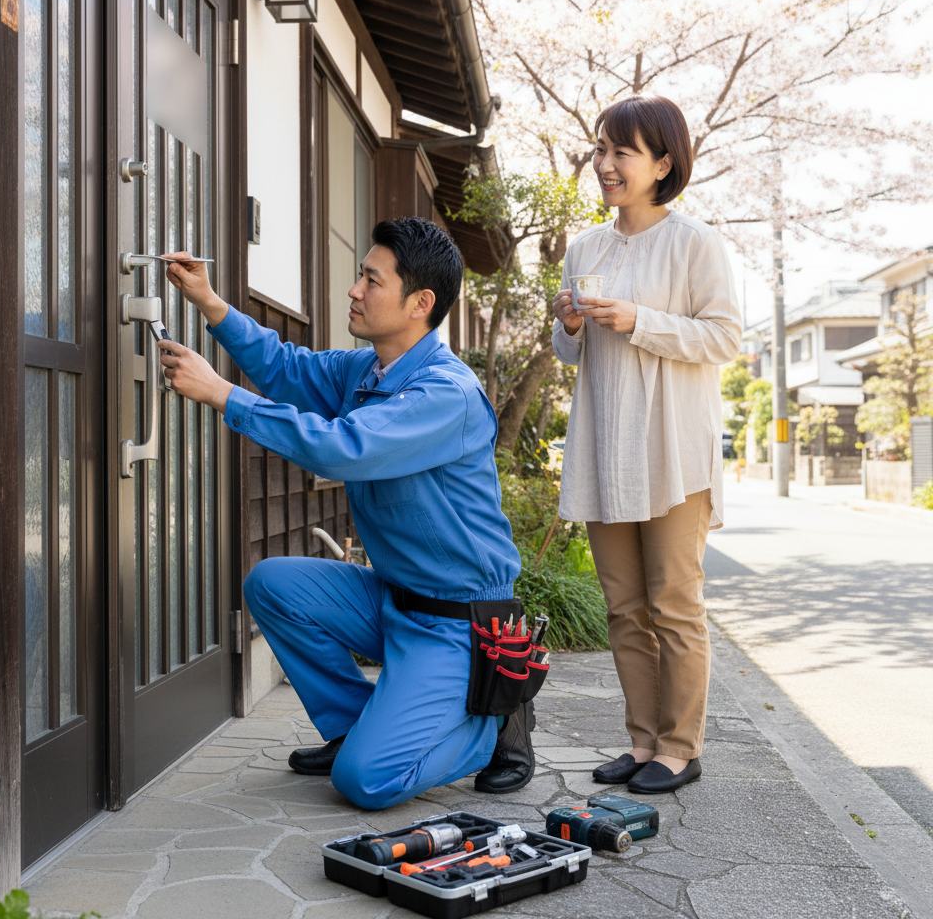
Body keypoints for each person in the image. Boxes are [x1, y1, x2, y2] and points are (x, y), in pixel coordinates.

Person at [157, 217, 532, 810]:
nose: (354, 290)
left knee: (366, 782)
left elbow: (345, 449)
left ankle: (491, 724)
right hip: (391, 600)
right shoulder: (367, 370)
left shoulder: (445, 394)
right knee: (274, 585)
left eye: (370, 280)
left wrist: (222, 393)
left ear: (420, 303)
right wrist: (208, 300)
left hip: (456, 624)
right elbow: (286, 368)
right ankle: (356, 729)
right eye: (360, 275)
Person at [551, 96, 741, 794]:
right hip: (606, 450)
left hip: (672, 452)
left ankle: (680, 747)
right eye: (601, 150)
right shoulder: (585, 248)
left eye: (621, 152)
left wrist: (640, 320)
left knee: (675, 605)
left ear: (663, 163)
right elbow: (570, 358)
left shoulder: (695, 243)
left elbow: (724, 337)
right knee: (624, 608)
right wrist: (567, 326)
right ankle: (640, 742)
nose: (605, 165)